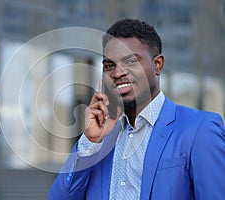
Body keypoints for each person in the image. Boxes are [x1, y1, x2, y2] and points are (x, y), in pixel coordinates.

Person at [49, 18, 225, 199]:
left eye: (131, 62)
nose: (117, 73)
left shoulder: (199, 130)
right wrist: (89, 141)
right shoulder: (99, 142)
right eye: (109, 66)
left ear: (157, 64)